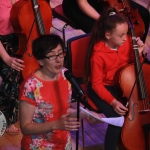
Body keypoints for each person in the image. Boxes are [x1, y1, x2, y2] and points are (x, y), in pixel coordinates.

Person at [19, 34, 97, 150]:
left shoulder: (65, 75)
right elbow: (25, 127)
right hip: (39, 147)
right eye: (51, 56)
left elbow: (62, 111)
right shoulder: (31, 86)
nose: (58, 60)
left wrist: (85, 115)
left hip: (64, 144)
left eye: (60, 53)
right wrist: (56, 124)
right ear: (40, 61)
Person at [84, 7, 144, 150]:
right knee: (117, 120)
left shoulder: (127, 41)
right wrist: (113, 102)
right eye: (121, 35)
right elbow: (97, 84)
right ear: (108, 35)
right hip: (103, 88)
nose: (126, 38)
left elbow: (133, 69)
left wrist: (139, 55)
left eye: (126, 34)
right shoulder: (98, 55)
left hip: (123, 84)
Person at [62, 0, 149, 42]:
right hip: (79, 6)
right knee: (101, 29)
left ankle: (138, 52)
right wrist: (102, 19)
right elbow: (82, 3)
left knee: (144, 14)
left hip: (105, 2)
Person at [0, 0, 24, 134]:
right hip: (2, 44)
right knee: (11, 74)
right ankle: (8, 119)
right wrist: (6, 58)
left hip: (20, 38)